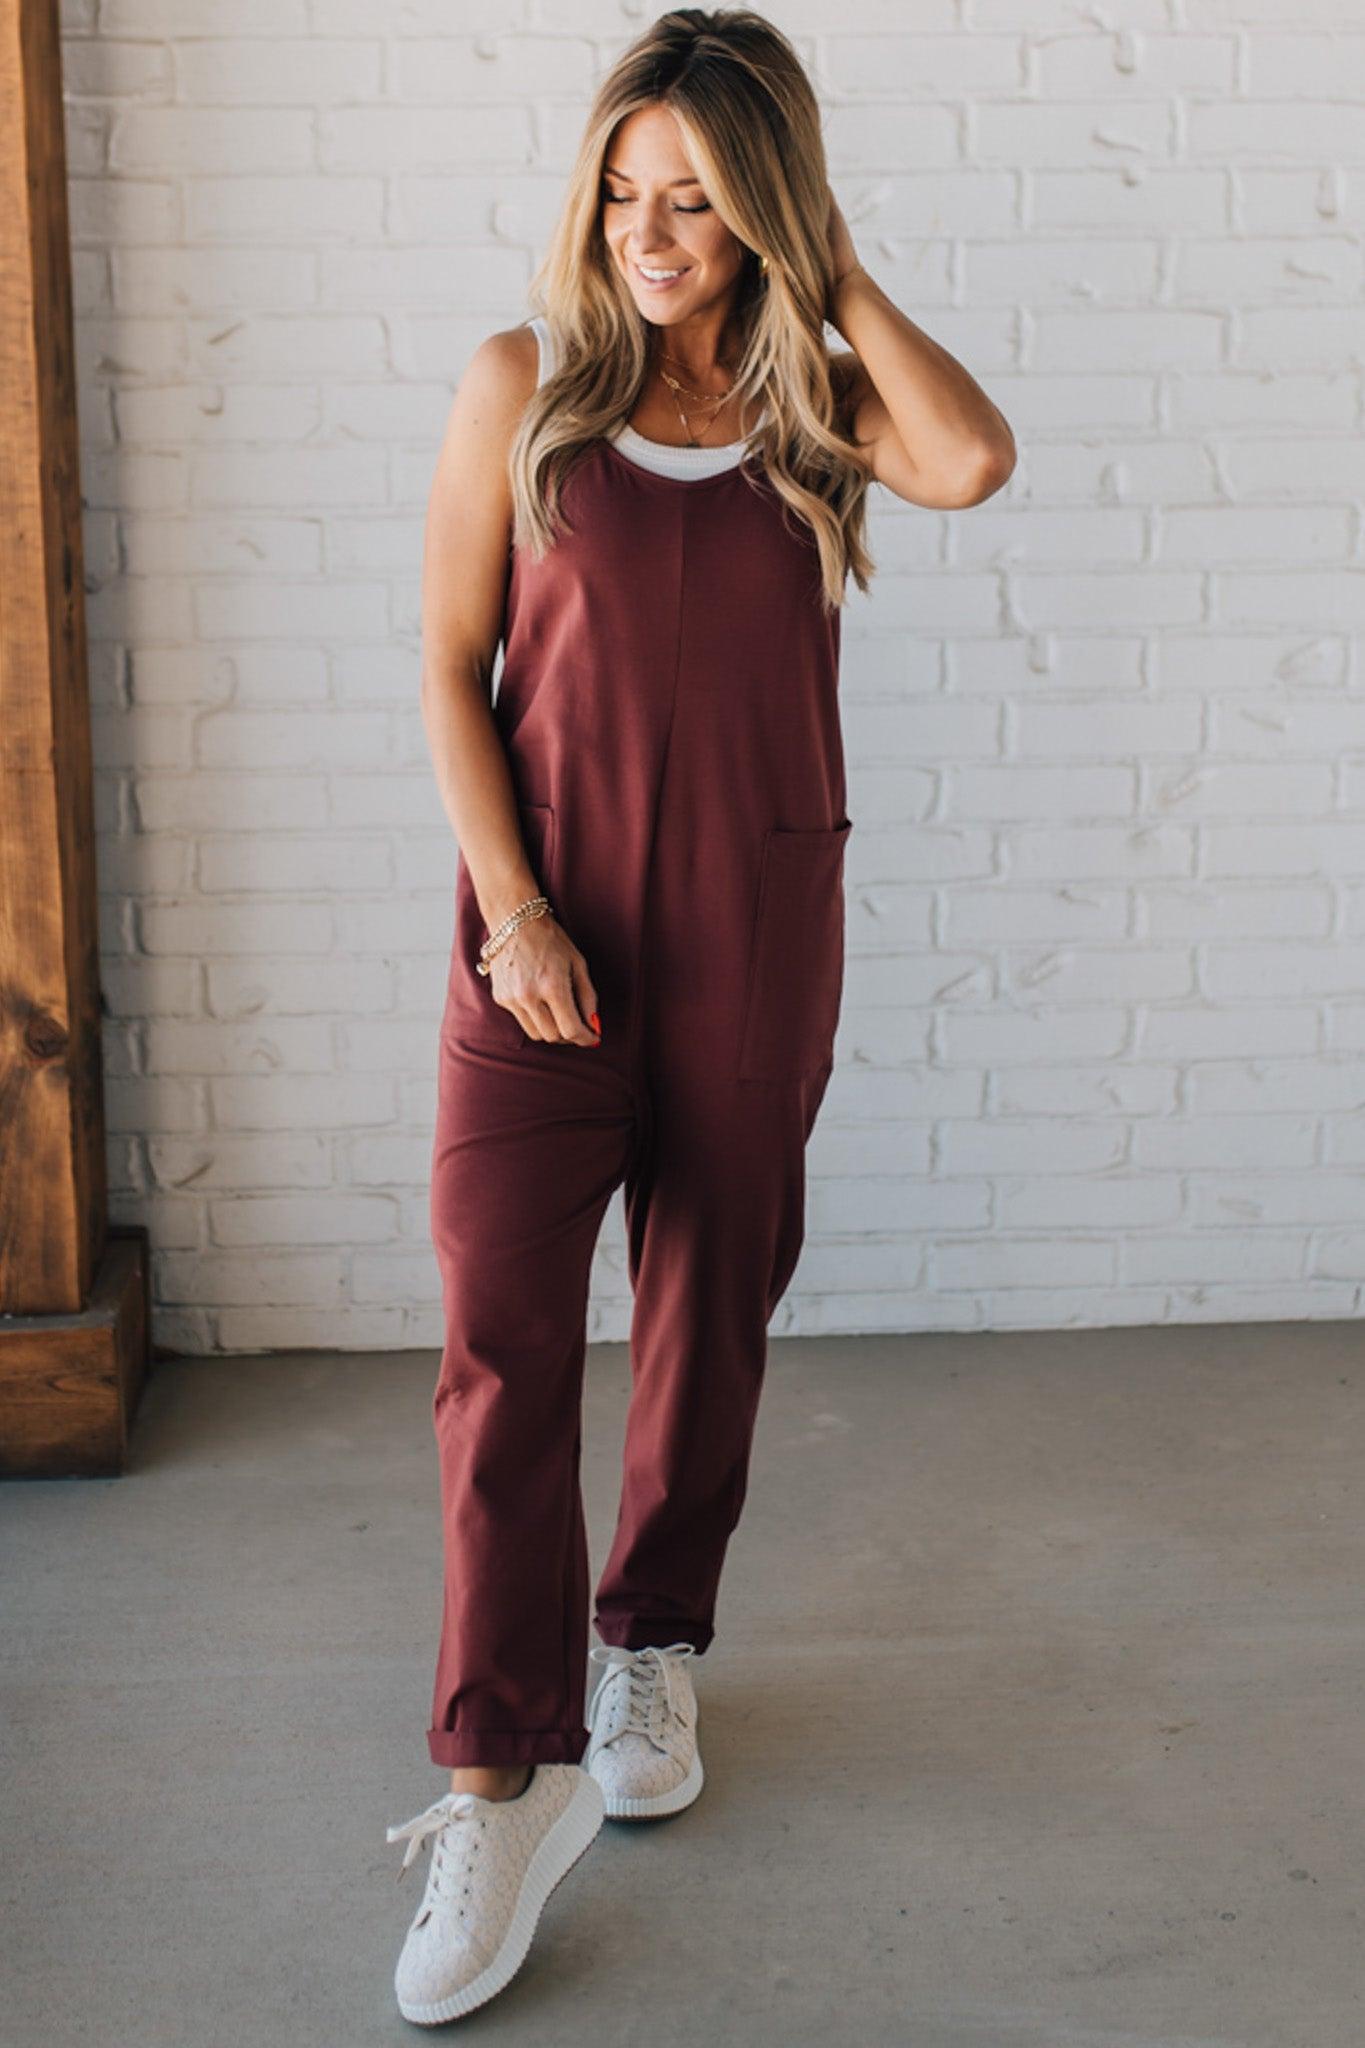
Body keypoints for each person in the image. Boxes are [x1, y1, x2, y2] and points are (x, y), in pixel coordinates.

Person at [383, 5, 1015, 2023]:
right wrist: (513, 913)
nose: (647, 236)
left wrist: (826, 271)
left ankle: (648, 1644)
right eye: (621, 193)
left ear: (763, 214)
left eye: (695, 201)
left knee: (704, 1308)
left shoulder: (810, 404)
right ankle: (496, 1781)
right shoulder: (521, 389)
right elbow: (448, 666)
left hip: (756, 919)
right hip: (542, 943)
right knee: (497, 1343)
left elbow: (969, 459)